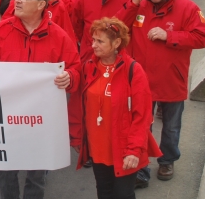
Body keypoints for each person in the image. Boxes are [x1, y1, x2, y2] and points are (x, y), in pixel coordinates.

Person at [0, 0, 80, 199]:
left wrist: (70, 77)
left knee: (37, 175)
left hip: (42, 120)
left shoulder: (59, 36)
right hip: (6, 117)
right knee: (6, 171)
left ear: (41, 4)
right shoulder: (0, 32)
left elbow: (76, 67)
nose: (16, 1)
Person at [117, 0, 205, 187]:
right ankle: (141, 167)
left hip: (171, 79)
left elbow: (202, 38)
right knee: (141, 125)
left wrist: (169, 35)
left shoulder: (187, 8)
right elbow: (116, 28)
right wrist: (132, 3)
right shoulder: (139, 6)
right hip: (142, 80)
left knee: (171, 125)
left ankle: (167, 160)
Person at [69, 17, 162, 198]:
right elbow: (78, 106)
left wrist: (134, 151)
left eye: (100, 41)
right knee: (103, 192)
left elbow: (142, 116)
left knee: (123, 194)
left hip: (124, 150)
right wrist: (77, 137)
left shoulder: (133, 71)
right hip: (98, 148)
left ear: (117, 43)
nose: (93, 45)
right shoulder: (88, 67)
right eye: (93, 40)